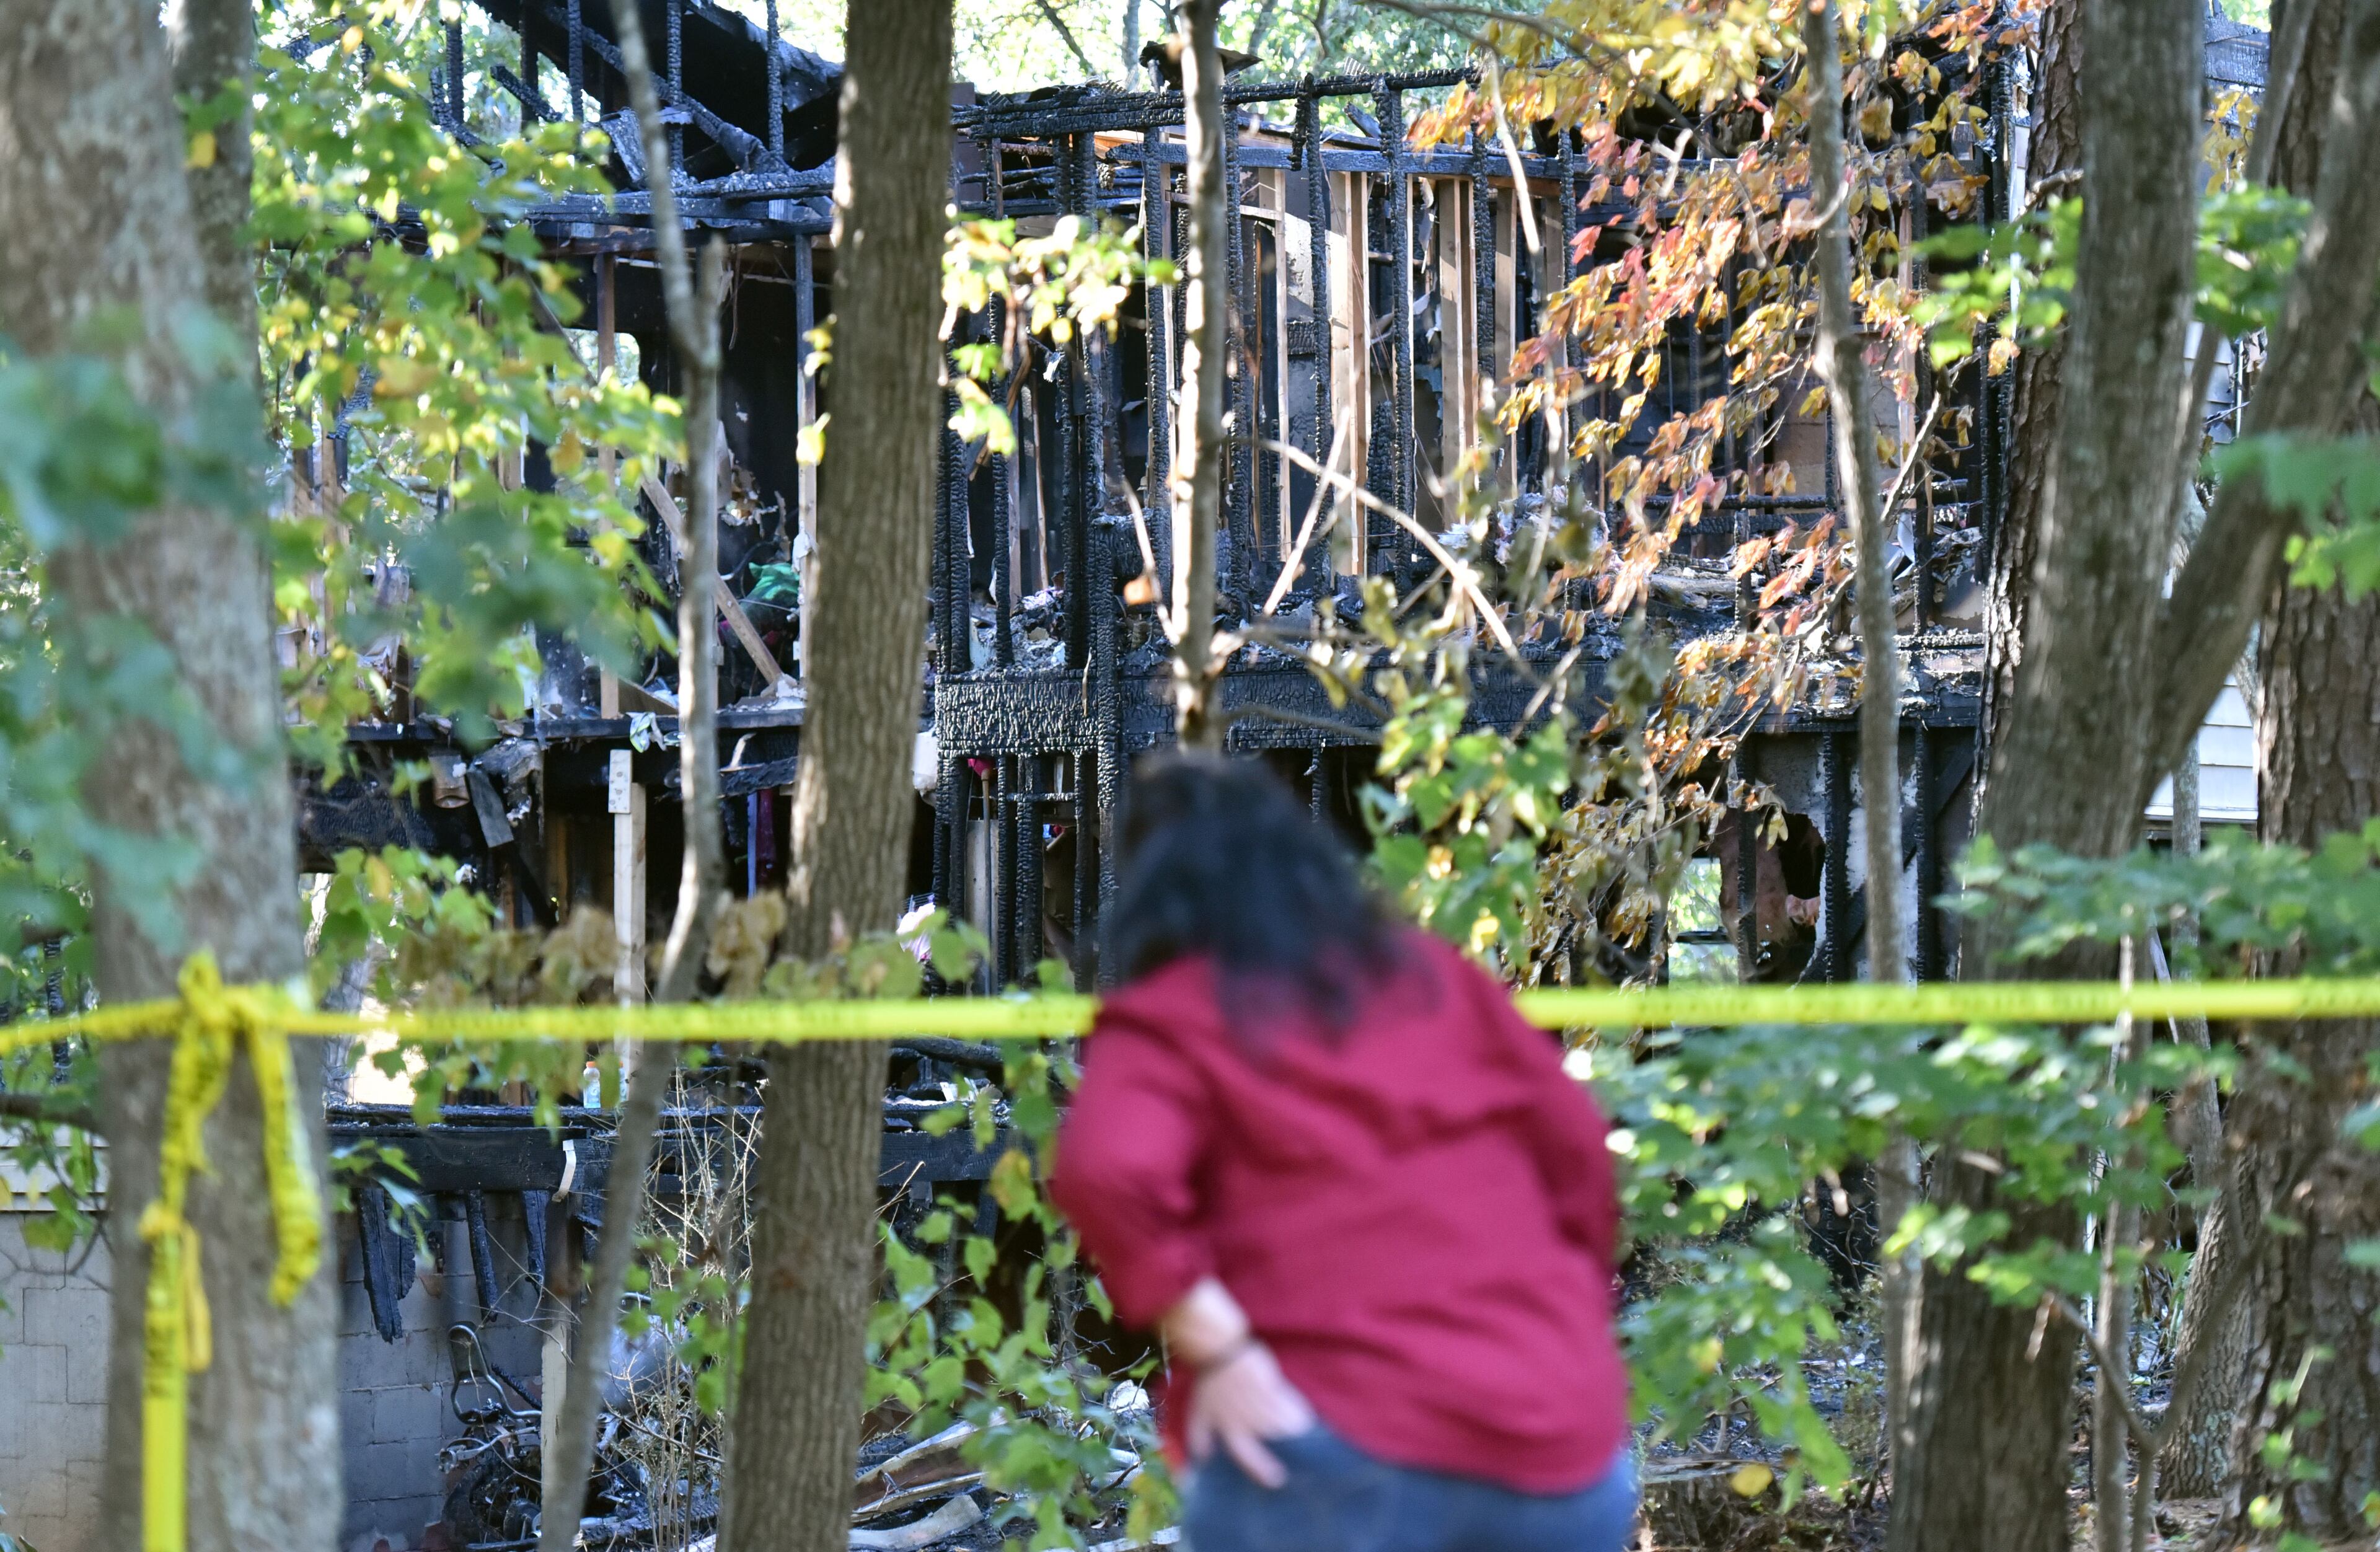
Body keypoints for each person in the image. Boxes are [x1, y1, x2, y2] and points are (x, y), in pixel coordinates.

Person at [1049, 753, 1636, 1552]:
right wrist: (1550, 1323)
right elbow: (1578, 1156)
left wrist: (1217, 1343)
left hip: (1330, 1443)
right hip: (1558, 1444)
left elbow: (1108, 1167)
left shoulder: (1175, 1011)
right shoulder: (1438, 980)